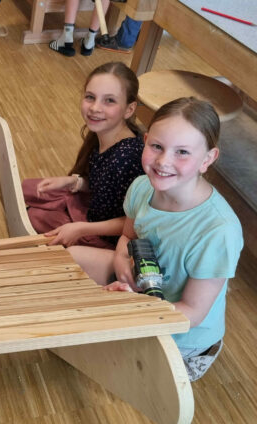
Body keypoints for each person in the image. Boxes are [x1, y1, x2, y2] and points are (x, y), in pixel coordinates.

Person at [76, 98, 243, 381]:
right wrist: (121, 261)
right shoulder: (142, 186)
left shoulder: (219, 230)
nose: (163, 162)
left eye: (182, 152)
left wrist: (133, 307)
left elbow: (193, 313)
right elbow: (128, 235)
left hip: (184, 334)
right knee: (71, 260)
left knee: (95, 353)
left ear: (207, 159)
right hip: (143, 289)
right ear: (145, 141)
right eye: (157, 146)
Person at [22, 62, 144, 251]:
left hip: (107, 236)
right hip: (94, 210)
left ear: (129, 109)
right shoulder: (103, 134)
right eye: (90, 97)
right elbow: (103, 186)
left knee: (35, 215)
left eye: (109, 100)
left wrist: (80, 229)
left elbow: (134, 222)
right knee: (29, 188)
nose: (95, 107)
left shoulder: (127, 157)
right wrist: (73, 182)